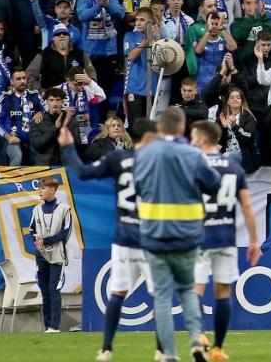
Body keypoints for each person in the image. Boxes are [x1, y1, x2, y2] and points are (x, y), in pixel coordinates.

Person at [60, 117, 156, 361]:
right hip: (150, 237)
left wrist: (68, 148)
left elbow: (82, 172)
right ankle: (163, 350)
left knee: (118, 293)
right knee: (161, 295)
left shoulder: (118, 158)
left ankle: (106, 349)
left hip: (124, 236)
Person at [134, 106, 222, 362]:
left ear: (160, 128)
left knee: (162, 296)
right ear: (183, 128)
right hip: (186, 234)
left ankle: (169, 354)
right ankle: (196, 340)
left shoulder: (146, 154)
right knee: (187, 289)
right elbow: (214, 183)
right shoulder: (192, 154)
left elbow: (138, 187)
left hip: (155, 234)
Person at [190, 120, 261, 362]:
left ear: (202, 139)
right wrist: (253, 240)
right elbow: (247, 206)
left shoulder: (194, 165)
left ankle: (199, 335)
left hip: (199, 236)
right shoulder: (233, 167)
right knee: (223, 291)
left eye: (193, 137)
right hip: (226, 237)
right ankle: (218, 349)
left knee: (195, 290)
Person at [29, 175, 71, 334]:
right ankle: (47, 326)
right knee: (44, 290)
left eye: (43, 188)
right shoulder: (36, 209)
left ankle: (55, 326)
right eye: (39, 188)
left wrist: (45, 240)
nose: (40, 191)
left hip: (57, 256)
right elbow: (32, 230)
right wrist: (37, 241)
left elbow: (65, 233)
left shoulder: (64, 209)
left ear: (53, 190)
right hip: (41, 255)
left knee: (54, 289)